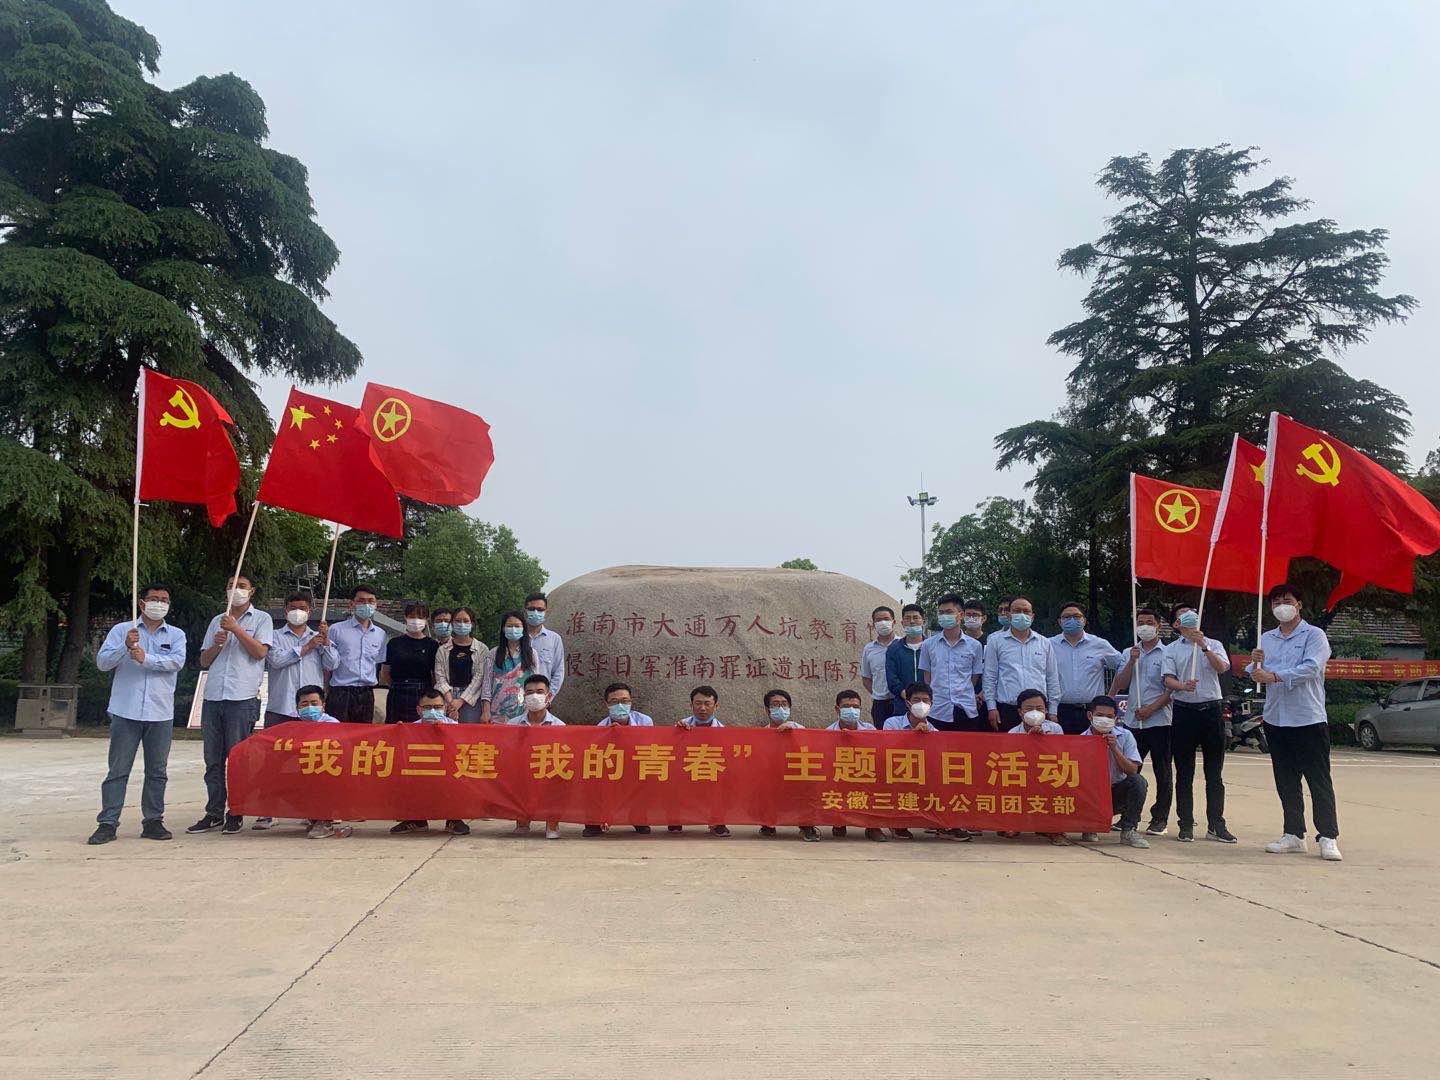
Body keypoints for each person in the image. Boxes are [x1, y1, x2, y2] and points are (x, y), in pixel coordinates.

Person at [88, 584, 187, 845]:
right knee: (118, 770)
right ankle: (108, 823)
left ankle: (153, 820)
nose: (159, 603)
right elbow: (103, 663)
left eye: (164, 599)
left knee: (157, 771)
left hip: (160, 712)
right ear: (142, 603)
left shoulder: (176, 634)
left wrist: (146, 658)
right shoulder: (123, 630)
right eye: (154, 599)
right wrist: (125, 647)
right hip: (126, 711)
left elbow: (177, 662)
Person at [1249, 585, 1341, 862]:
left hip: (1307, 717)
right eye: (1276, 602)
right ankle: (1293, 833)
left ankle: (1328, 836)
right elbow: (1256, 672)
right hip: (1276, 718)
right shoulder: (1266, 638)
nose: (1282, 606)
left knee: (1318, 779)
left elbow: (1311, 668)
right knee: (1286, 779)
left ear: (1299, 604)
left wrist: (1274, 676)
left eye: (1287, 600)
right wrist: (1255, 665)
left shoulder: (1314, 635)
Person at [189, 575, 272, 834]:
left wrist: (237, 630)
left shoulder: (262, 619)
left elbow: (260, 652)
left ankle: (235, 810)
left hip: (242, 698)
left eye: (242, 586)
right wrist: (217, 644)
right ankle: (213, 812)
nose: (236, 590)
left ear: (252, 591)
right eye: (231, 586)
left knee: (237, 759)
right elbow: (204, 660)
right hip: (214, 697)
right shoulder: (217, 620)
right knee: (213, 760)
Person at [254, 591, 337, 830]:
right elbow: (276, 661)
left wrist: (325, 643)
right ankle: (269, 810)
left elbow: (333, 664)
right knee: (274, 761)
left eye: (302, 608)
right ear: (285, 610)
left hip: (311, 713)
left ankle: (311, 810)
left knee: (311, 763)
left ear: (310, 612)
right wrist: (307, 647)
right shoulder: (274, 636)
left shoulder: (319, 636)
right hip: (281, 706)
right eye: (293, 607)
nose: (297, 612)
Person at [1161, 603, 1236, 844]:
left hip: (1211, 710)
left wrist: (1204, 646)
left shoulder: (1213, 644)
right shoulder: (1171, 649)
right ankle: (1185, 824)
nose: (1189, 616)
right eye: (1183, 615)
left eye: (1192, 612)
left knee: (1214, 773)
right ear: (1176, 624)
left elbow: (1222, 668)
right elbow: (1168, 679)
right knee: (1184, 772)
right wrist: (1183, 686)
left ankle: (1216, 824)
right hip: (1184, 712)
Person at [1108, 607, 1173, 836]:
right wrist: (1131, 662)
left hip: (1160, 721)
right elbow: (1121, 683)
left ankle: (1159, 819)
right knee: (1130, 770)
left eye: (1149, 622)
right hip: (1133, 722)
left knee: (1163, 771)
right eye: (1141, 622)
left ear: (1158, 626)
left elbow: (1170, 689)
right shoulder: (1129, 652)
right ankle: (1128, 815)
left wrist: (1151, 709)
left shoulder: (1168, 653)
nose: (1145, 626)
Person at [880, 685, 969, 841]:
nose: (921, 704)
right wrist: (912, 736)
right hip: (897, 772)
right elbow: (886, 750)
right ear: (908, 703)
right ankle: (898, 822)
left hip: (923, 775)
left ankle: (944, 825)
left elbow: (937, 758)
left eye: (925, 700)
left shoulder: (934, 731)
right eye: (916, 700)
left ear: (931, 704)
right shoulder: (892, 723)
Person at [390, 688, 469, 836]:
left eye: (438, 707)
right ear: (419, 710)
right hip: (421, 771)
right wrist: (397, 733)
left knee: (459, 778)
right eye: (427, 707)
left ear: (445, 708)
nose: (433, 711)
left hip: (448, 772)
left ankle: (454, 819)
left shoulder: (455, 727)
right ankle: (416, 820)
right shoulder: (409, 728)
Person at [582, 683, 656, 838]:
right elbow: (599, 756)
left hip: (636, 765)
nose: (620, 705)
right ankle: (595, 821)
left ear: (631, 702)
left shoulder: (644, 721)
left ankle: (638, 818)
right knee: (591, 777)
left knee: (649, 776)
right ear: (607, 705)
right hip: (612, 768)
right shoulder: (601, 726)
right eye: (615, 702)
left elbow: (649, 748)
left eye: (625, 701)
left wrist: (625, 735)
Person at [1078, 696, 1150, 849]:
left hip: (1115, 793)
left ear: (1116, 718)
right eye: (1099, 715)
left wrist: (1114, 748)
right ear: (1090, 716)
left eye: (1109, 716)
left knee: (1138, 781)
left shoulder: (1125, 736)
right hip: (1091, 796)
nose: (1104, 719)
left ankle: (1129, 830)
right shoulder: (1081, 740)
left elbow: (1132, 770)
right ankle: (1090, 824)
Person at [983, 596, 1060, 731]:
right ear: (1009, 615)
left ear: (1032, 616)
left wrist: (1053, 710)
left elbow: (1052, 677)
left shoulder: (1044, 643)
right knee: (1008, 745)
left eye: (1026, 611)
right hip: (1007, 709)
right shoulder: (995, 642)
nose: (1022, 615)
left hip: (1038, 711)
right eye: (1017, 611)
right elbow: (989, 677)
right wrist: (991, 707)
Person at [1050, 601, 1124, 735]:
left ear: (1084, 620)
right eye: (1067, 617)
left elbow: (1122, 665)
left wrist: (1111, 694)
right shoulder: (1049, 645)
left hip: (1092, 712)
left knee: (1091, 747)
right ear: (1060, 622)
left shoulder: (1100, 644)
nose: (1072, 620)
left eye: (1076, 616)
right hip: (1060, 711)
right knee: (1062, 748)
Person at [824, 690, 888, 842]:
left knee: (877, 784)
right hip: (840, 774)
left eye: (855, 707)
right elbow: (826, 760)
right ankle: (839, 822)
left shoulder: (869, 730)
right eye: (847, 706)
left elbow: (879, 754)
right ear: (837, 709)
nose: (852, 710)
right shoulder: (828, 732)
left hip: (865, 773)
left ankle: (873, 827)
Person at [291, 685, 352, 839]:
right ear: (297, 708)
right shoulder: (292, 726)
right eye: (304, 704)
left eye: (314, 703)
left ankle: (325, 821)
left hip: (329, 771)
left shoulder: (332, 724)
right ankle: (314, 817)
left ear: (323, 706)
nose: (309, 708)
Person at [508, 675, 564, 839]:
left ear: (548, 696)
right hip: (522, 771)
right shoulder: (512, 724)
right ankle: (522, 821)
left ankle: (552, 823)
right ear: (523, 696)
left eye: (540, 692)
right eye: (530, 692)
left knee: (559, 778)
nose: (534, 696)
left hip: (548, 770)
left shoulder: (560, 726)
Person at [758, 690, 819, 842]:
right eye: (775, 704)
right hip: (772, 777)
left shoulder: (800, 729)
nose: (780, 708)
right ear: (767, 710)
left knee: (808, 785)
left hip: (797, 775)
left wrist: (793, 733)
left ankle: (806, 825)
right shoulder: (761, 734)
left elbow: (811, 753)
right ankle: (768, 822)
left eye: (784, 704)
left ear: (790, 708)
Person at [919, 592, 986, 732]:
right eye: (941, 612)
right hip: (937, 710)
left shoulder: (975, 646)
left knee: (966, 745)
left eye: (949, 612)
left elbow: (974, 676)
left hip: (966, 709)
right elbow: (927, 677)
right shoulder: (928, 645)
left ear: (961, 615)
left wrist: (962, 690)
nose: (944, 616)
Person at [671, 686, 731, 837]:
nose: (702, 708)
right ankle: (675, 817)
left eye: (707, 703)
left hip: (711, 770)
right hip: (686, 769)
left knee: (722, 782)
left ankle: (717, 821)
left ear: (716, 706)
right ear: (691, 705)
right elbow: (671, 751)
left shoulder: (723, 730)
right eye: (698, 703)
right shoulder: (681, 725)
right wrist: (678, 734)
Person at [327, 585, 388, 725]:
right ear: (351, 604)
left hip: (366, 693)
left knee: (363, 734)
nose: (366, 605)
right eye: (361, 601)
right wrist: (326, 690)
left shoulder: (380, 634)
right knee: (337, 733)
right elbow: (327, 665)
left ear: (376, 605)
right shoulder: (336, 630)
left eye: (371, 601)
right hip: (340, 691)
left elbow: (379, 664)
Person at [382, 602, 439, 725]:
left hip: (422, 692)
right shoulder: (394, 643)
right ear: (406, 618)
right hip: (397, 692)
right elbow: (385, 672)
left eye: (420, 617)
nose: (416, 620)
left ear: (426, 619)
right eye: (412, 617)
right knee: (395, 727)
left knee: (421, 727)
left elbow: (435, 675)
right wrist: (397, 686)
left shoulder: (432, 645)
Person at [477, 611, 534, 724]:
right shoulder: (493, 653)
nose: (513, 629)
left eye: (517, 626)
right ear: (503, 629)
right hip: (496, 713)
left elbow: (535, 683)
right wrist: (486, 711)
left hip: (523, 712)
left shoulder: (532, 654)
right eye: (509, 626)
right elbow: (487, 685)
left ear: (523, 629)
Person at [435, 607, 486, 722]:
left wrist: (460, 701)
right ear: (452, 623)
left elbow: (479, 677)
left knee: (469, 732)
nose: (461, 624)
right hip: (447, 697)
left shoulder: (482, 649)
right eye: (457, 621)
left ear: (472, 624)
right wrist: (451, 702)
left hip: (471, 699)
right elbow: (440, 677)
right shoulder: (442, 650)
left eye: (466, 621)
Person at [884, 603, 929, 715]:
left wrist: (925, 698)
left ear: (923, 621)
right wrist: (907, 696)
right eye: (907, 618)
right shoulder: (894, 648)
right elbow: (892, 678)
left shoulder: (932, 646)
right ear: (902, 623)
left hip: (930, 705)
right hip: (902, 705)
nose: (912, 621)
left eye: (916, 618)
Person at [859, 605, 897, 728]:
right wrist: (878, 693)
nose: (883, 623)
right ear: (874, 624)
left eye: (886, 619)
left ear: (894, 622)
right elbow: (866, 678)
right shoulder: (869, 649)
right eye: (878, 620)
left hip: (901, 702)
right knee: (882, 736)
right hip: (880, 705)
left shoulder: (902, 644)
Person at [522, 592, 567, 695]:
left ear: (546, 611)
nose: (536, 612)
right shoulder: (517, 637)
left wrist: (549, 696)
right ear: (525, 610)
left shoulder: (554, 639)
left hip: (542, 697)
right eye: (532, 609)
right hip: (516, 698)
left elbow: (558, 672)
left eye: (540, 609)